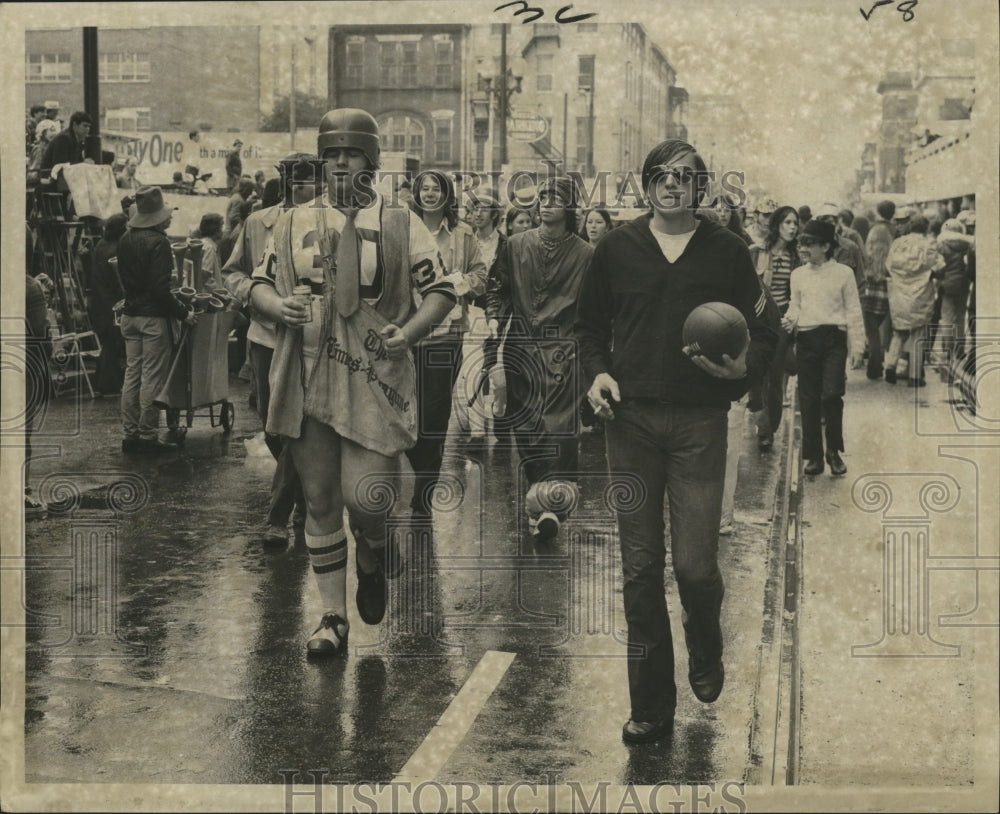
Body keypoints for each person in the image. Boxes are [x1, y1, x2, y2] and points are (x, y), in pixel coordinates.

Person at [575, 139, 777, 744]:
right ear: (646, 185)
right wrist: (599, 374)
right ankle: (651, 707)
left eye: (684, 177)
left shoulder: (729, 252)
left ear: (701, 187)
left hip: (698, 423)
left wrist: (740, 372)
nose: (671, 185)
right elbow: (587, 328)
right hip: (629, 423)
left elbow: (767, 330)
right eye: (661, 176)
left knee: (693, 567)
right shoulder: (616, 248)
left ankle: (706, 640)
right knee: (639, 570)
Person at [249, 108, 455, 656]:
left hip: (374, 375)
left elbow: (441, 293)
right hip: (307, 372)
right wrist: (279, 305)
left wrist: (408, 334)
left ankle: (373, 551)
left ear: (371, 160)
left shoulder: (400, 220)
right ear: (321, 159)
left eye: (353, 153)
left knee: (368, 500)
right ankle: (332, 618)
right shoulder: (291, 220)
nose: (341, 162)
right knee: (318, 499)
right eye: (332, 153)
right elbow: (257, 284)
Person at [487, 176, 594, 542]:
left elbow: (596, 309)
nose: (547, 203)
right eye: (543, 197)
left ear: (570, 207)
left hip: (564, 355)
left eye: (556, 198)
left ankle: (549, 507)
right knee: (528, 433)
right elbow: (497, 287)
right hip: (520, 349)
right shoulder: (515, 245)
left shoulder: (585, 254)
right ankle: (541, 505)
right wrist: (493, 318)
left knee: (560, 432)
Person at [224, 153, 320, 545]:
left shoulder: (327, 222)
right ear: (283, 183)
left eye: (310, 181)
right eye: (294, 181)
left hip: (312, 340)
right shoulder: (256, 223)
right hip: (265, 338)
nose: (302, 189)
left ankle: (280, 515)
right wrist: (256, 297)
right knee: (272, 427)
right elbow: (233, 272)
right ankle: (301, 497)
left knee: (296, 425)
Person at [404, 170, 487, 516]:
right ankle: (411, 476)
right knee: (404, 412)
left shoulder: (463, 236)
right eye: (423, 187)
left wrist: (457, 284)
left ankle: (423, 493)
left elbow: (482, 278)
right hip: (406, 334)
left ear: (447, 195)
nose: (429, 193)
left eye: (436, 188)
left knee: (434, 417)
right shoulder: (404, 228)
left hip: (445, 337)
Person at [118, 186, 197, 452]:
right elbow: (160, 290)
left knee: (133, 376)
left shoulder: (125, 238)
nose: (170, 218)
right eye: (166, 214)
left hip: (130, 315)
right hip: (153, 319)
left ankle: (130, 435)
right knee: (151, 378)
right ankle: (148, 436)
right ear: (157, 218)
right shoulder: (160, 242)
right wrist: (183, 312)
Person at [782, 219, 864, 476]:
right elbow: (796, 304)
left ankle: (834, 451)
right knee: (807, 399)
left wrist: (858, 346)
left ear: (827, 246)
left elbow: (853, 310)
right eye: (801, 243)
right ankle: (814, 456)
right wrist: (790, 317)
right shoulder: (798, 275)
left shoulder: (843, 273)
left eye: (810, 244)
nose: (803, 249)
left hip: (834, 340)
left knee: (831, 394)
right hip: (807, 339)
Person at [749, 205, 800, 450]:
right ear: (777, 224)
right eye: (787, 222)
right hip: (759, 320)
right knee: (756, 375)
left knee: (776, 378)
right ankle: (762, 420)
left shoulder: (797, 257)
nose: (792, 228)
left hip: (784, 321)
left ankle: (767, 430)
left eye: (795, 223)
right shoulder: (756, 252)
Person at [883, 215, 939, 387]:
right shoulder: (928, 244)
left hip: (899, 294)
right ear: (926, 228)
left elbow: (888, 266)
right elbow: (937, 267)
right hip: (920, 294)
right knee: (918, 334)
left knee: (899, 332)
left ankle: (890, 365)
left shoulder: (898, 243)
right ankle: (915, 376)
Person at [89, 213, 127, 396]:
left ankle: (102, 382)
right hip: (111, 301)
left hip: (99, 301)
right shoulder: (117, 248)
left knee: (108, 343)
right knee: (113, 343)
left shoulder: (101, 245)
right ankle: (108, 384)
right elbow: (119, 280)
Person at [929, 219, 973, 371]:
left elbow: (937, 265)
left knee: (946, 318)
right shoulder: (967, 245)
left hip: (946, 285)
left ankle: (947, 351)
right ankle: (960, 350)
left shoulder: (941, 245)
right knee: (960, 317)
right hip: (963, 284)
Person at [24, 273, 51, 517]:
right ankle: (20, 490)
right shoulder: (29, 286)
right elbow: (40, 328)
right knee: (22, 430)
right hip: (23, 363)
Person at [860, 199, 896, 380]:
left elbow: (867, 256)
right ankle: (888, 360)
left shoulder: (873, 230)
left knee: (872, 331)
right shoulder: (895, 231)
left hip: (872, 284)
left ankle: (874, 367)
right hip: (891, 285)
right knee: (887, 329)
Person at [194, 213, 225, 290]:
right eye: (221, 227)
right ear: (215, 230)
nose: (222, 231)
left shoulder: (202, 243)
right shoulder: (209, 248)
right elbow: (205, 274)